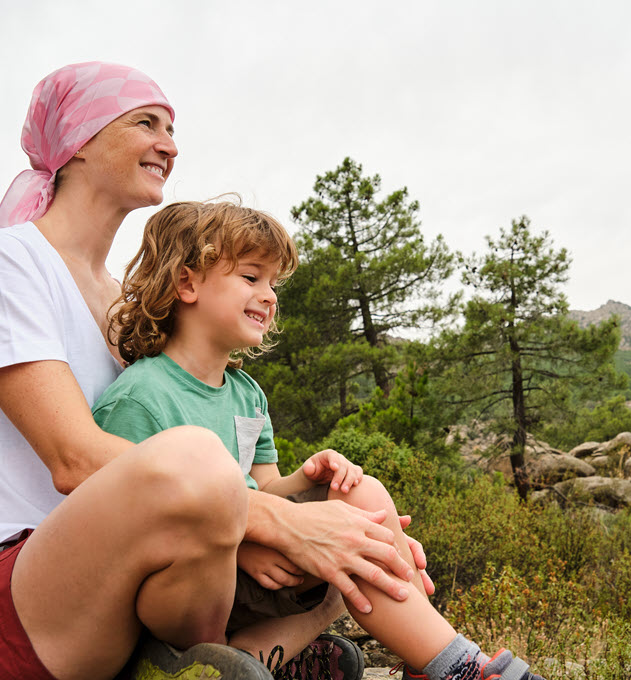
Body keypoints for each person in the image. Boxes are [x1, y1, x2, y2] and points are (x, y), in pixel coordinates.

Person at [0, 62, 419, 680]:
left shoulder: (121, 307)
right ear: (78, 142)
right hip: (1, 610)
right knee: (199, 456)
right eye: (145, 123)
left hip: (128, 594)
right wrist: (284, 524)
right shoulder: (7, 262)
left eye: (173, 128)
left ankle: (249, 658)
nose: (169, 144)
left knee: (345, 497)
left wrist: (354, 531)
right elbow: (75, 460)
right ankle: (253, 651)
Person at [90, 197, 547, 680]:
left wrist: (309, 477)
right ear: (187, 283)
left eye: (273, 283)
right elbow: (132, 529)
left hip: (253, 565)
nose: (269, 295)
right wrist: (239, 545)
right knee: (350, 554)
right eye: (250, 277)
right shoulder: (141, 398)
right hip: (187, 584)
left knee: (358, 492)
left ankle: (435, 662)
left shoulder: (246, 395)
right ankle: (454, 666)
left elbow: (264, 490)